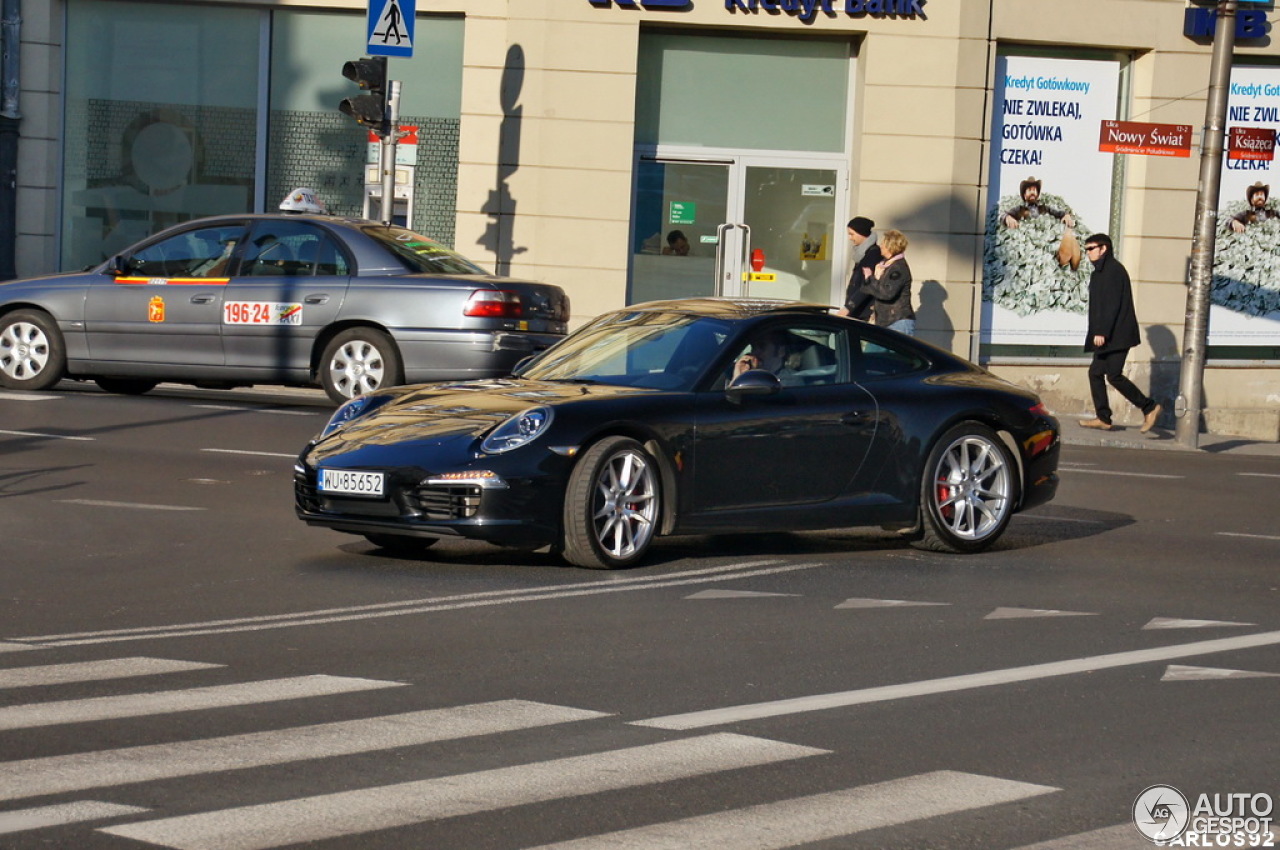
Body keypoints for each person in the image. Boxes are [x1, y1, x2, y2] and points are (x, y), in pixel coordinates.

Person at [1080, 234, 1162, 432]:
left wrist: (1101, 332)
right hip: (1107, 335)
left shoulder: (1114, 271)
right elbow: (1098, 306)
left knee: (1114, 375)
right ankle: (1104, 418)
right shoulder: (1098, 273)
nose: (1088, 253)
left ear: (1104, 249)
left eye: (1091, 248)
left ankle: (1149, 407)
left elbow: (1111, 305)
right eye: (1086, 249)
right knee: (1095, 373)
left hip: (1117, 335)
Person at [862, 229, 916, 336]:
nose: (880, 246)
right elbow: (868, 289)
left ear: (891, 246)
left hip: (898, 322)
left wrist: (870, 278)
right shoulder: (884, 266)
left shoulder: (898, 268)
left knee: (874, 351)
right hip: (885, 323)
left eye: (883, 243)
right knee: (872, 352)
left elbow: (886, 293)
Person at [837, 216, 880, 321]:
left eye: (852, 234)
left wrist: (849, 307)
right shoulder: (861, 252)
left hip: (862, 310)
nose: (850, 238)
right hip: (856, 309)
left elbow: (867, 284)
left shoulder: (873, 253)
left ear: (862, 233)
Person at [1002, 176, 1074, 230]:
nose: (1033, 192)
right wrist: (1007, 218)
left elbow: (1058, 213)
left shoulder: (1044, 208)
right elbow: (1003, 215)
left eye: (1034, 190)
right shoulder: (1019, 209)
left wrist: (1066, 215)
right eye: (1029, 190)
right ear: (1024, 195)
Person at [732, 328, 797, 384]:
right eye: (753, 347)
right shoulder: (754, 374)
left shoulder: (790, 382)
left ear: (781, 352)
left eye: (762, 346)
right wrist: (739, 375)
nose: (755, 352)